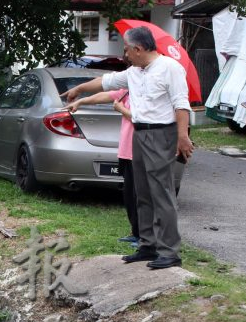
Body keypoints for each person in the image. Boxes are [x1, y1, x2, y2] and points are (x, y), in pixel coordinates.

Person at [62, 26, 193, 269]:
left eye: (127, 50)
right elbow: (105, 82)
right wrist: (80, 90)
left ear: (139, 49)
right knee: (141, 192)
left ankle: (169, 251)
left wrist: (182, 137)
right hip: (139, 133)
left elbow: (181, 105)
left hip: (161, 133)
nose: (125, 54)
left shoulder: (170, 68)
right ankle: (147, 245)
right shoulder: (135, 71)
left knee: (161, 193)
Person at [67, 88, 142, 248]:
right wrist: (80, 101)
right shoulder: (127, 90)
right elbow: (104, 95)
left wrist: (121, 109)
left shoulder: (145, 92)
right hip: (126, 150)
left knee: (140, 196)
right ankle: (136, 232)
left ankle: (145, 237)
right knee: (129, 196)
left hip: (139, 151)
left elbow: (141, 119)